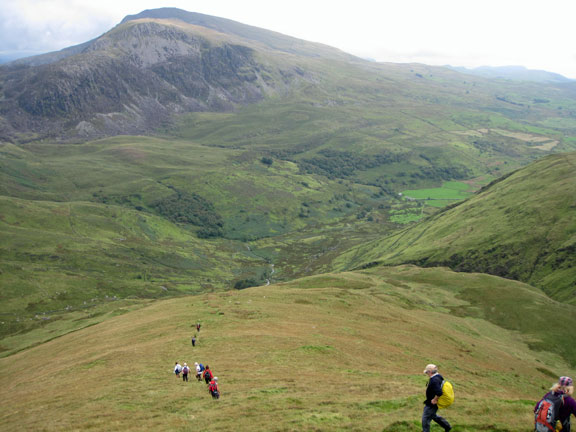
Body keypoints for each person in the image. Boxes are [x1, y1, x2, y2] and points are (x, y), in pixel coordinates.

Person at [422, 364, 452, 432]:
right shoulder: (438, 376)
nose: (426, 374)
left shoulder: (434, 380)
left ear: (430, 372)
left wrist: (435, 400)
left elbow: (439, 392)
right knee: (433, 416)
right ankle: (447, 426)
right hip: (431, 402)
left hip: (432, 403)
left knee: (425, 419)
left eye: (427, 372)